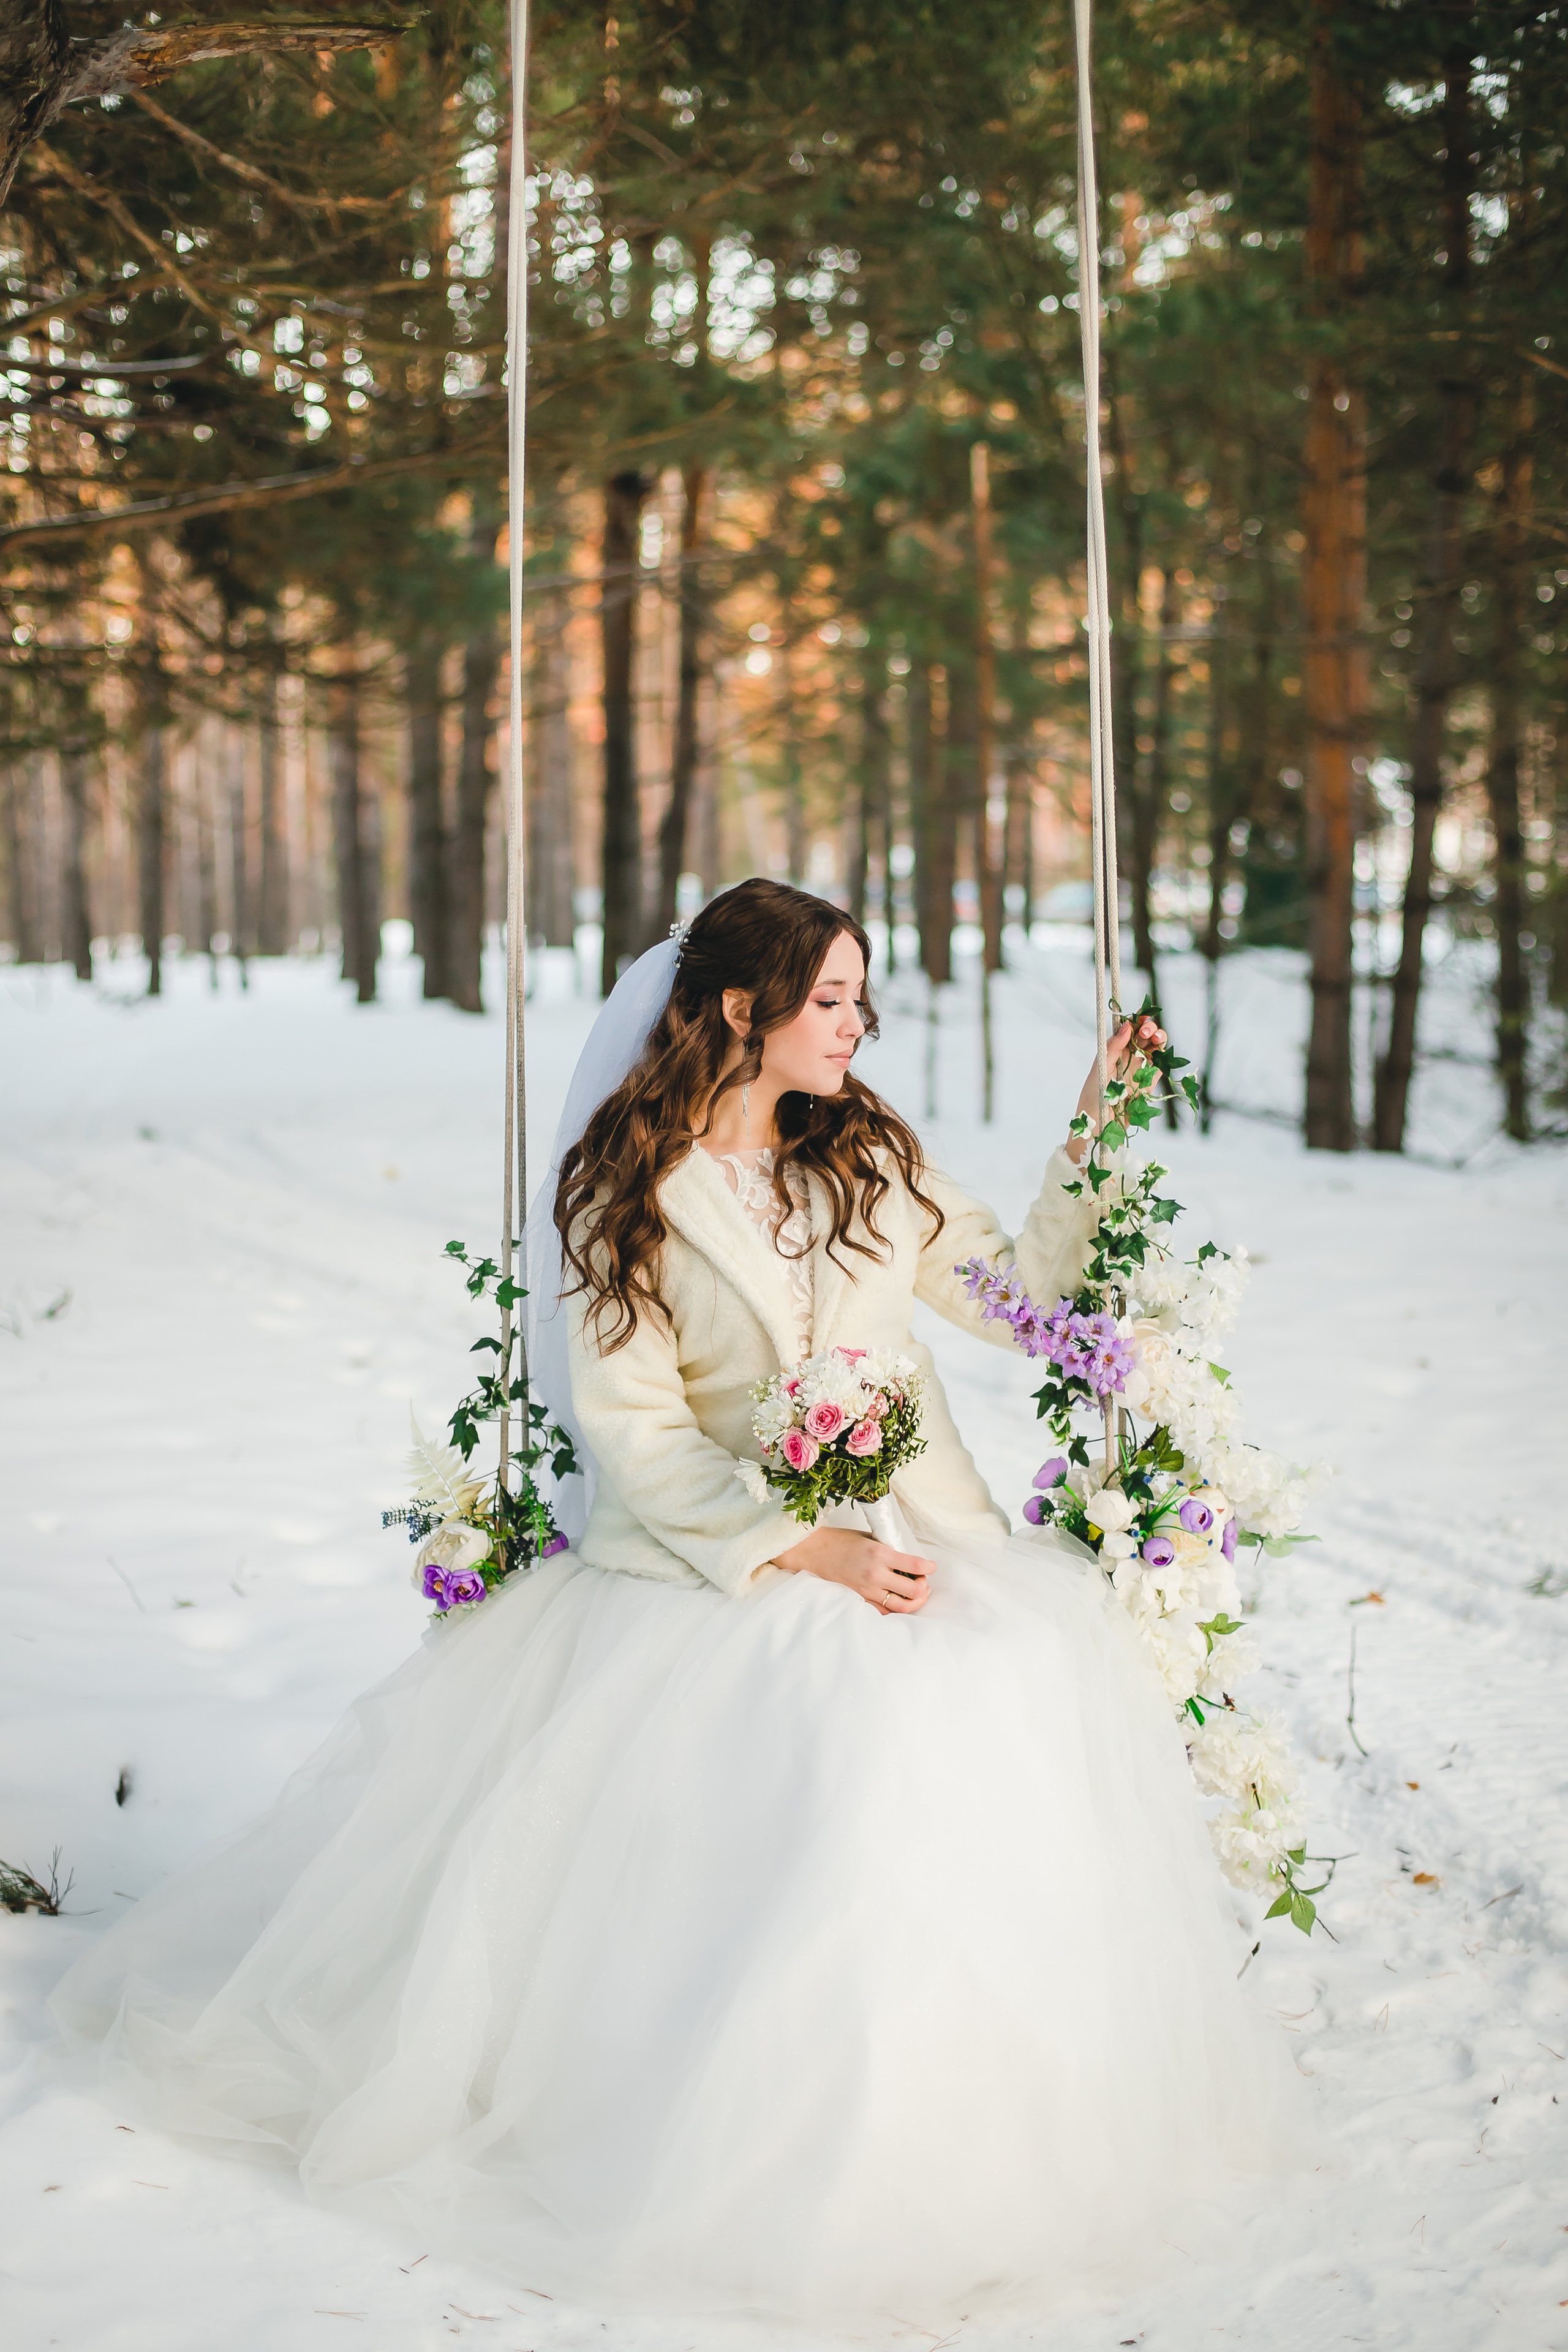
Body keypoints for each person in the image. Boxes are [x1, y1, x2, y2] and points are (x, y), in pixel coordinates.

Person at [53, 877, 1303, 2325]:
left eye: (856, 996)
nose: (856, 1025)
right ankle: (750, 2131)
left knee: (986, 1704)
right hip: (719, 1559)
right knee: (829, 1732)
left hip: (915, 1536)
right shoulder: (626, 1191)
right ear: (736, 1008)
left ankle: (965, 2122)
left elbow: (1022, 1286)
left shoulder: (872, 1168)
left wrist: (1094, 1129)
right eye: (828, 998)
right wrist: (797, 1546)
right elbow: (634, 1434)